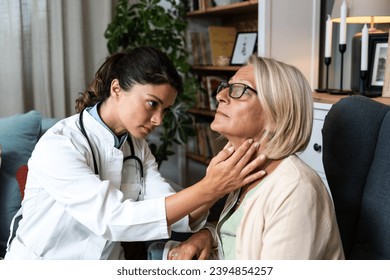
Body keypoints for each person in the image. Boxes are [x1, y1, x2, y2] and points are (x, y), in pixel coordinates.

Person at [4, 46, 267, 260]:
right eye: (152, 104)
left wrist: (219, 188)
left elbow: (170, 209)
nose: (158, 120)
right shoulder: (60, 145)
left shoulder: (137, 147)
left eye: (164, 110)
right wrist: (211, 187)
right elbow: (112, 219)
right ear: (117, 89)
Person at [165, 55, 345, 260]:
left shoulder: (296, 190)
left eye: (240, 90)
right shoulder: (244, 172)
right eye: (226, 86)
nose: (220, 96)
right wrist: (208, 235)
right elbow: (241, 235)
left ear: (277, 115)